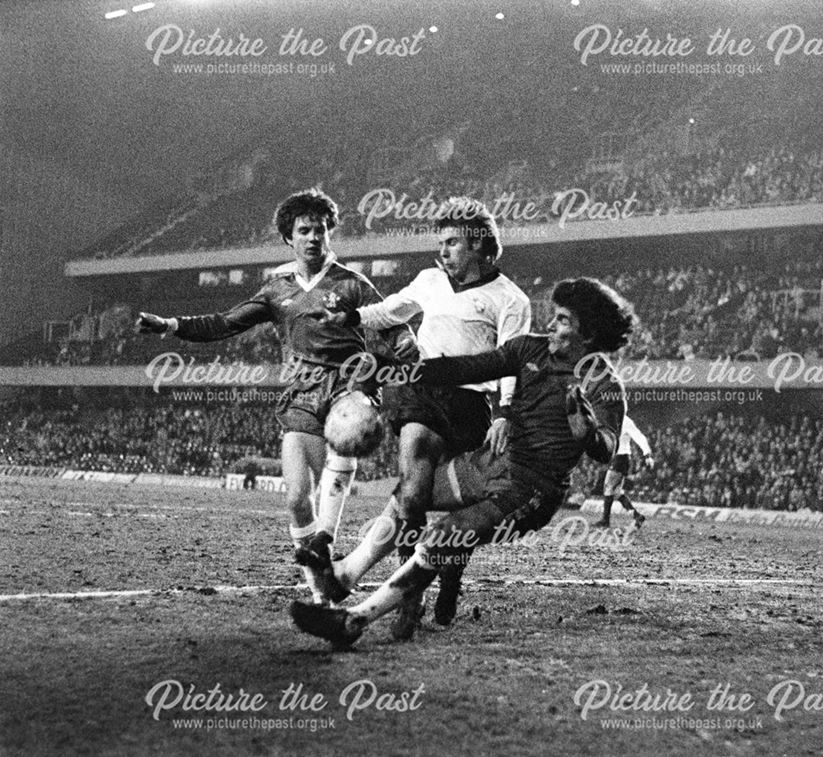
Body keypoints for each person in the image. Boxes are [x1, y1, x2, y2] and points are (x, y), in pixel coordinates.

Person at [290, 277, 634, 648]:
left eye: (564, 320)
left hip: (531, 490)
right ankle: (344, 576)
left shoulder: (603, 384)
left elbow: (606, 448)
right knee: (410, 493)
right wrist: (394, 371)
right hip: (490, 463)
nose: (551, 324)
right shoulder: (529, 350)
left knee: (444, 536)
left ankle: (354, 620)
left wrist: (587, 434)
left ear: (591, 334)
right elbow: (464, 369)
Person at [136, 188, 415, 604]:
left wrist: (405, 339)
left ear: (329, 233)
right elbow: (224, 323)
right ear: (289, 237)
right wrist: (170, 325)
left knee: (347, 435)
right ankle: (321, 592)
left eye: (319, 229)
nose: (313, 238)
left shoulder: (353, 285)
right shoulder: (276, 290)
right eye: (304, 231)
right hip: (301, 393)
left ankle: (324, 537)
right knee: (295, 499)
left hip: (348, 385)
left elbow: (391, 322)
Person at [314, 196, 531, 638]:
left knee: (459, 518)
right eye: (441, 241)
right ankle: (408, 599)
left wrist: (504, 413)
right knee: (412, 495)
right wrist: (352, 315)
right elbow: (392, 309)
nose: (444, 249)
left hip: (471, 407)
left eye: (452, 241)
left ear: (478, 245)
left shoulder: (510, 299)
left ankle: (449, 579)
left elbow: (514, 360)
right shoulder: (430, 280)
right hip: (420, 393)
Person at [594, 414, 654, 529]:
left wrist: (647, 454)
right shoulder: (610, 419)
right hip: (619, 458)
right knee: (616, 492)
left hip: (621, 458)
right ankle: (637, 516)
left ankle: (605, 520)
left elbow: (639, 437)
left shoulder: (625, 421)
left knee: (608, 486)